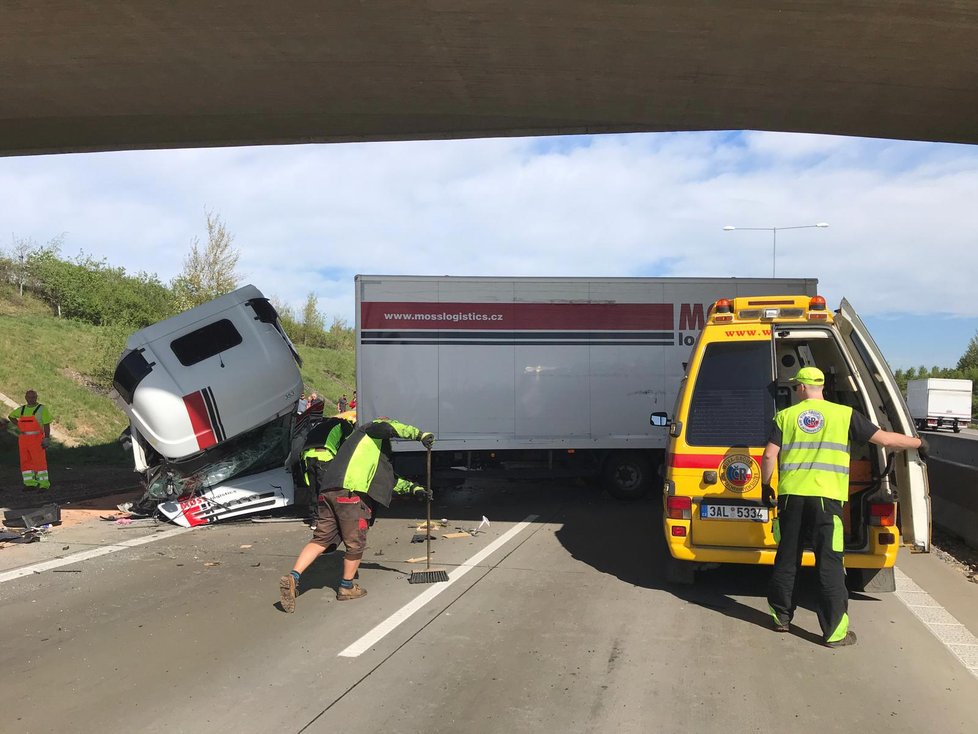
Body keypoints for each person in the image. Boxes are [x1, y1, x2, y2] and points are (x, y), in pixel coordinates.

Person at [761, 366, 927, 648]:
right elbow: (885, 440)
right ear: (822, 387)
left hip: (792, 499)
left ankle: (781, 618)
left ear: (801, 388)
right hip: (827, 501)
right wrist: (919, 442)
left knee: (787, 559)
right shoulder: (844, 415)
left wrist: (767, 487)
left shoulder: (786, 416)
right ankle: (834, 633)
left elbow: (768, 456)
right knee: (830, 563)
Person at [279, 417, 434, 612]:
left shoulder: (357, 448)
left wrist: (415, 489)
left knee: (321, 539)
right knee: (355, 543)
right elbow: (389, 427)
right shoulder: (370, 430)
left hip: (328, 492)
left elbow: (387, 480)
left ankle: (293, 577)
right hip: (350, 495)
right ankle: (346, 587)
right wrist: (420, 435)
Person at [1, 390, 53, 491]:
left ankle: (43, 484)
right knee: (25, 461)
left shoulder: (42, 409)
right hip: (24, 439)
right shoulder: (22, 409)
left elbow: (46, 424)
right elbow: (11, 416)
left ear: (36, 397)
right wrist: (19, 425)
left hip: (37, 439)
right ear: (26, 398)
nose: (31, 399)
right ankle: (30, 483)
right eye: (29, 397)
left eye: (33, 397)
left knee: (39, 461)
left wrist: (46, 437)